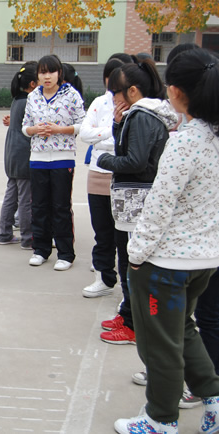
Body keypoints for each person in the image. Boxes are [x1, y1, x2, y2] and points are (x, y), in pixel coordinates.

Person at [113, 49, 219, 434]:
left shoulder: (186, 142)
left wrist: (135, 255)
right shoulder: (213, 136)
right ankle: (214, 400)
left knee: (161, 346)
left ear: (175, 91)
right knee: (184, 332)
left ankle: (161, 419)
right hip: (204, 259)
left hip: (166, 265)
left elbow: (159, 206)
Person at [96, 57, 177, 345]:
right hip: (132, 201)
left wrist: (104, 159)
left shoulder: (142, 116)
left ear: (132, 91)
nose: (114, 98)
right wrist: (119, 126)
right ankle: (128, 312)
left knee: (131, 263)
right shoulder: (139, 115)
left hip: (136, 201)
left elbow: (136, 160)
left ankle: (131, 324)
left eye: (116, 92)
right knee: (127, 261)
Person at [22, 54, 85, 271]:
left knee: (60, 207)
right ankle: (40, 249)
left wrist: (59, 130)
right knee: (38, 206)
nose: (47, 76)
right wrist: (35, 130)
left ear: (59, 73)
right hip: (38, 158)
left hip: (62, 157)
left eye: (51, 72)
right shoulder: (33, 97)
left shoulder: (71, 95)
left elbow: (82, 125)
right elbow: (25, 127)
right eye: (42, 72)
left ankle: (66, 253)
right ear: (37, 75)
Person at [79, 56, 125, 298]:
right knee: (102, 231)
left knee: (123, 235)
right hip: (98, 174)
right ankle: (104, 278)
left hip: (124, 176)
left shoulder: (134, 105)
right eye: (110, 75)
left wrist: (103, 139)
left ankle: (127, 292)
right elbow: (85, 133)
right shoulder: (99, 102)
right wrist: (112, 133)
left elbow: (126, 142)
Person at [0, 62, 37, 249]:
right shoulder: (29, 101)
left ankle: (5, 233)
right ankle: (28, 238)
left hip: (12, 153)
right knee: (25, 199)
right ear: (32, 84)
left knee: (11, 195)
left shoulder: (17, 100)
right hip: (23, 153)